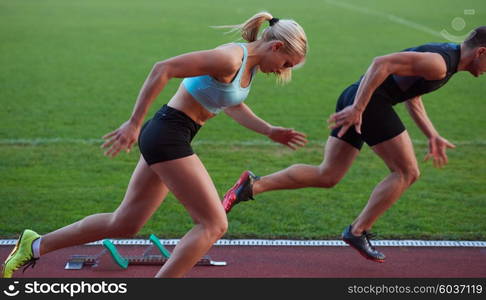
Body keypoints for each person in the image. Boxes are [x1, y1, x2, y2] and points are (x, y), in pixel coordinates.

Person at [2, 12, 308, 278]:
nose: (283, 70)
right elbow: (163, 68)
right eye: (286, 63)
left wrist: (270, 131)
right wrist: (133, 123)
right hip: (167, 134)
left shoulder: (249, 67)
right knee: (213, 224)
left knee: (125, 222)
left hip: (172, 134)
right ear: (276, 46)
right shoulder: (229, 58)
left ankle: (35, 244)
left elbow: (231, 104)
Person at [223, 26, 486, 263]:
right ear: (481, 52)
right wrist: (359, 108)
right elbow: (380, 63)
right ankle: (357, 230)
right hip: (368, 104)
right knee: (407, 172)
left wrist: (432, 134)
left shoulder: (445, 62)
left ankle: (253, 185)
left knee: (328, 174)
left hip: (356, 97)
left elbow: (412, 96)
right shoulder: (439, 63)